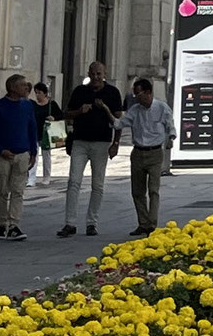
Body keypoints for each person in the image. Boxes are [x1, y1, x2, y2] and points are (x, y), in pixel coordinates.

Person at [57, 62, 124, 239]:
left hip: (102, 142)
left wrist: (116, 143)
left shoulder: (112, 93)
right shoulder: (80, 91)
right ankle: (70, 223)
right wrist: (80, 111)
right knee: (73, 181)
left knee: (98, 184)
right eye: (93, 74)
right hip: (80, 141)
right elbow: (66, 113)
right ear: (88, 73)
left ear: (104, 74)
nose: (95, 77)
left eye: (99, 74)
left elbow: (119, 121)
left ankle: (91, 222)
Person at [0, 75, 39, 241]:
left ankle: (14, 224)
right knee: (2, 190)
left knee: (18, 191)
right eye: (23, 85)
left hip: (22, 153)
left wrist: (33, 152)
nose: (26, 88)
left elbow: (32, 128)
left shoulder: (27, 106)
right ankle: (2, 224)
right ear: (13, 88)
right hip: (2, 155)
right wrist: (0, 149)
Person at [120, 77, 174, 235]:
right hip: (138, 152)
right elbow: (119, 123)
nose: (136, 98)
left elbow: (170, 124)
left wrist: (170, 138)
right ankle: (143, 223)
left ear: (148, 93)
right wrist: (107, 112)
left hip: (155, 152)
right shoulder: (135, 110)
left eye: (138, 94)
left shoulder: (161, 108)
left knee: (153, 189)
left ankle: (152, 223)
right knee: (137, 191)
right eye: (134, 95)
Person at [26, 83, 55, 187]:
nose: (37, 95)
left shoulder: (51, 104)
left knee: (46, 155)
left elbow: (61, 115)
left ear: (45, 93)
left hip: (46, 134)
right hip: (34, 133)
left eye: (39, 93)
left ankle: (46, 177)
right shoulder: (32, 104)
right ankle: (31, 178)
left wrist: (53, 118)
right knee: (33, 155)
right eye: (36, 93)